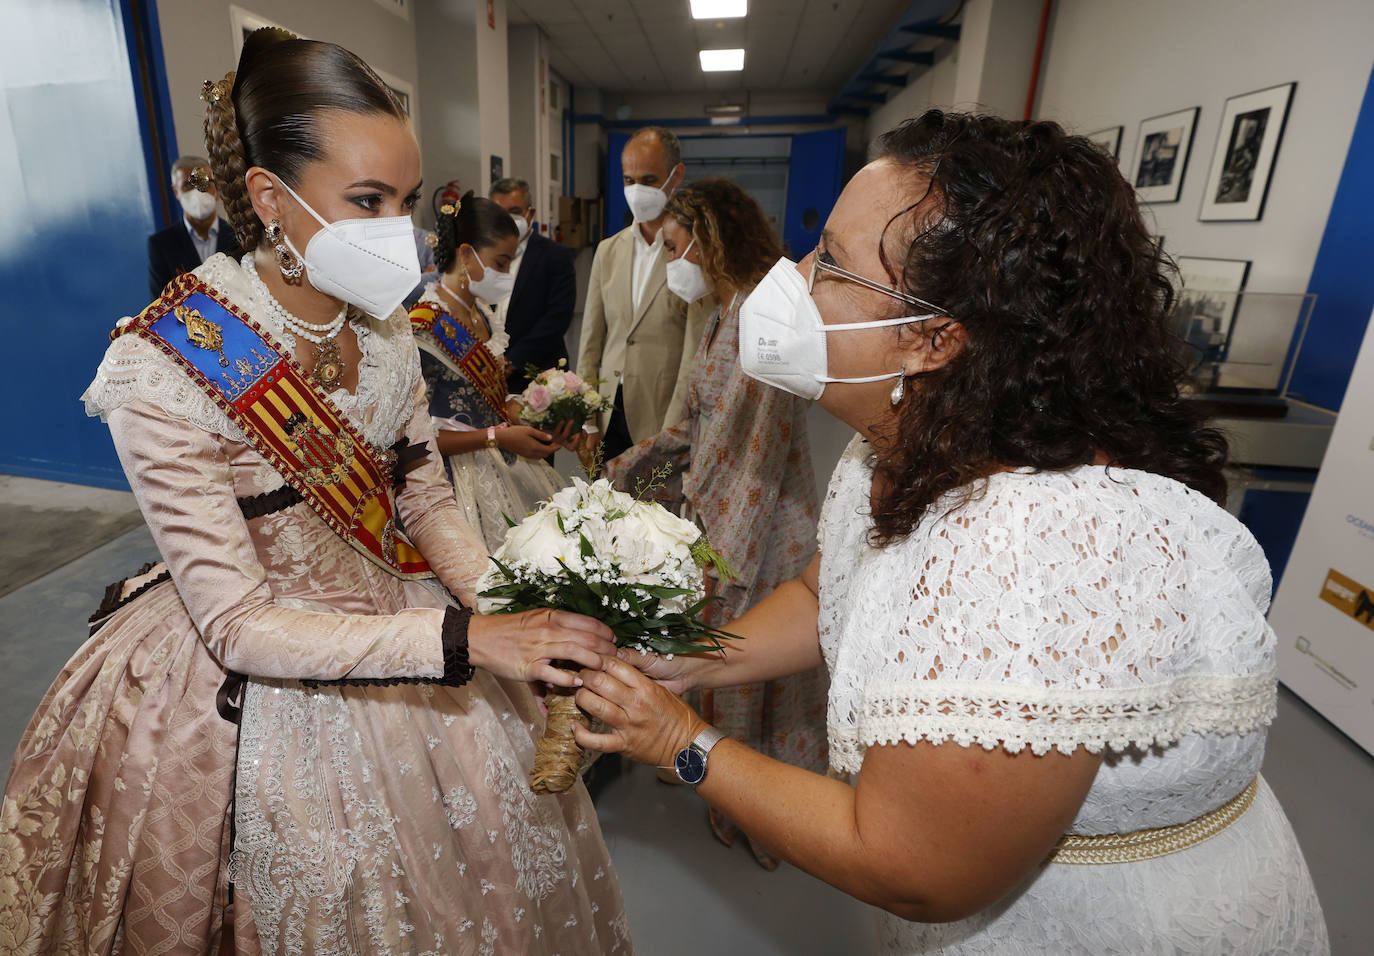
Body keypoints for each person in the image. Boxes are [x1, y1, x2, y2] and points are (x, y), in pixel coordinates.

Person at [574, 111, 1328, 953]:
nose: (793, 274)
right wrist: (690, 659)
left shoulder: (1029, 544)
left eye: (831, 263)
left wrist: (681, 740)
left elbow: (915, 863)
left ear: (933, 338)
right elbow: (828, 591)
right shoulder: (898, 449)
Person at [1, 29, 631, 954]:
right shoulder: (165, 363)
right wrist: (468, 636)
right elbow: (238, 622)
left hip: (405, 608)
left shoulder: (382, 329)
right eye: (368, 200)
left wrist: (506, 605)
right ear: (269, 197)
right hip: (258, 669)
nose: (401, 231)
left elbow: (422, 498)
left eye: (408, 201)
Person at [602, 178, 826, 868]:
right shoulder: (727, 309)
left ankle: (775, 821)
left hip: (756, 526)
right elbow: (699, 426)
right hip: (723, 511)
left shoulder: (762, 317)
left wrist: (716, 554)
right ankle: (734, 798)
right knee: (731, 669)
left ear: (708, 240)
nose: (673, 260)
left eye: (676, 246)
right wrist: (628, 466)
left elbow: (752, 451)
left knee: (754, 669)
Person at [410, 192, 576, 551]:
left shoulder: (483, 314)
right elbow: (415, 439)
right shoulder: (424, 325)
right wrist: (496, 438)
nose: (505, 274)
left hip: (504, 464)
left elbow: (493, 401)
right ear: (466, 255)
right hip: (457, 483)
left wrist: (530, 418)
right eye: (500, 263)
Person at [577, 126, 707, 463]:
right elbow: (592, 342)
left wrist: (672, 430)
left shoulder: (691, 253)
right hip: (607, 413)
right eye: (628, 180)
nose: (637, 191)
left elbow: (693, 351)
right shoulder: (608, 251)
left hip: (659, 413)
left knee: (653, 514)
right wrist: (587, 420)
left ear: (675, 175)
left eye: (648, 180)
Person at [489, 177, 577, 393]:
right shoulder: (482, 255)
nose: (507, 219)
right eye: (500, 213)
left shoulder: (556, 256)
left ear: (530, 213)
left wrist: (512, 361)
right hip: (490, 375)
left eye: (515, 211)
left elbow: (557, 319)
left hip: (539, 375)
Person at [146, 154, 237, 297]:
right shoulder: (161, 245)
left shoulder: (238, 237)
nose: (197, 192)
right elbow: (159, 306)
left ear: (217, 189)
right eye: (188, 185)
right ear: (176, 192)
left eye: (204, 183)